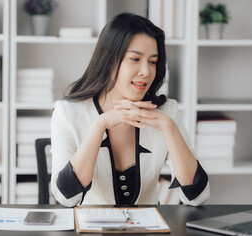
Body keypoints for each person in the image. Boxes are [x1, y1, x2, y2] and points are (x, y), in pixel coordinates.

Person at [50, 13, 210, 207]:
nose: (146, 71)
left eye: (152, 62)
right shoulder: (67, 112)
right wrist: (100, 124)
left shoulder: (167, 112)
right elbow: (66, 198)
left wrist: (169, 126)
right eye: (135, 59)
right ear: (108, 61)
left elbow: (197, 197)